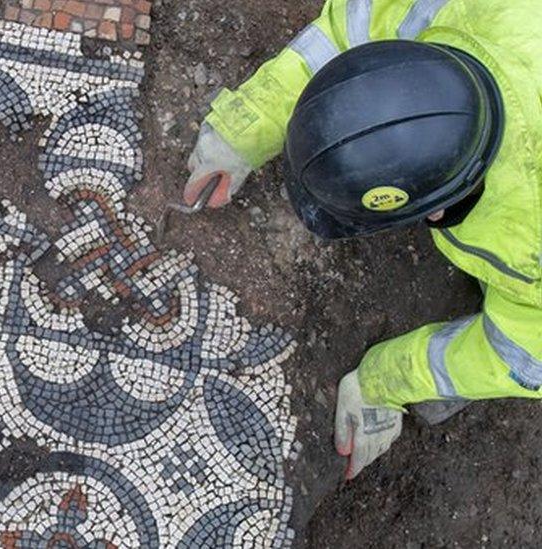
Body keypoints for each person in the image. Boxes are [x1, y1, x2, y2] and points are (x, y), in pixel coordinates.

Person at [185, 0, 541, 479]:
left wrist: (385, 382)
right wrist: (245, 126)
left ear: (433, 208)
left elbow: (522, 355)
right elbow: (346, 30)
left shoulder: (526, 252)